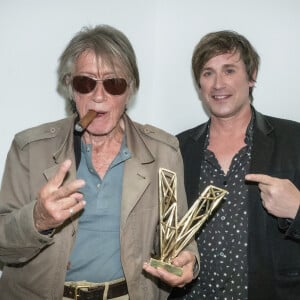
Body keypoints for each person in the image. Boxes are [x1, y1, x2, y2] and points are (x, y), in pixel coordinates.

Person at [0, 24, 199, 300]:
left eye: (113, 83)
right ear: (71, 88)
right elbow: (3, 245)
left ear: (130, 90)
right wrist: (38, 219)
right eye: (86, 82)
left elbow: (176, 234)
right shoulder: (29, 149)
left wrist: (187, 259)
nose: (99, 95)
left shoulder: (163, 151)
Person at [169, 30, 300, 300]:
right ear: (199, 85)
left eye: (229, 70)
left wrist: (298, 208)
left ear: (251, 77)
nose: (218, 84)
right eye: (208, 73)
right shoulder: (177, 149)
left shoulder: (294, 140)